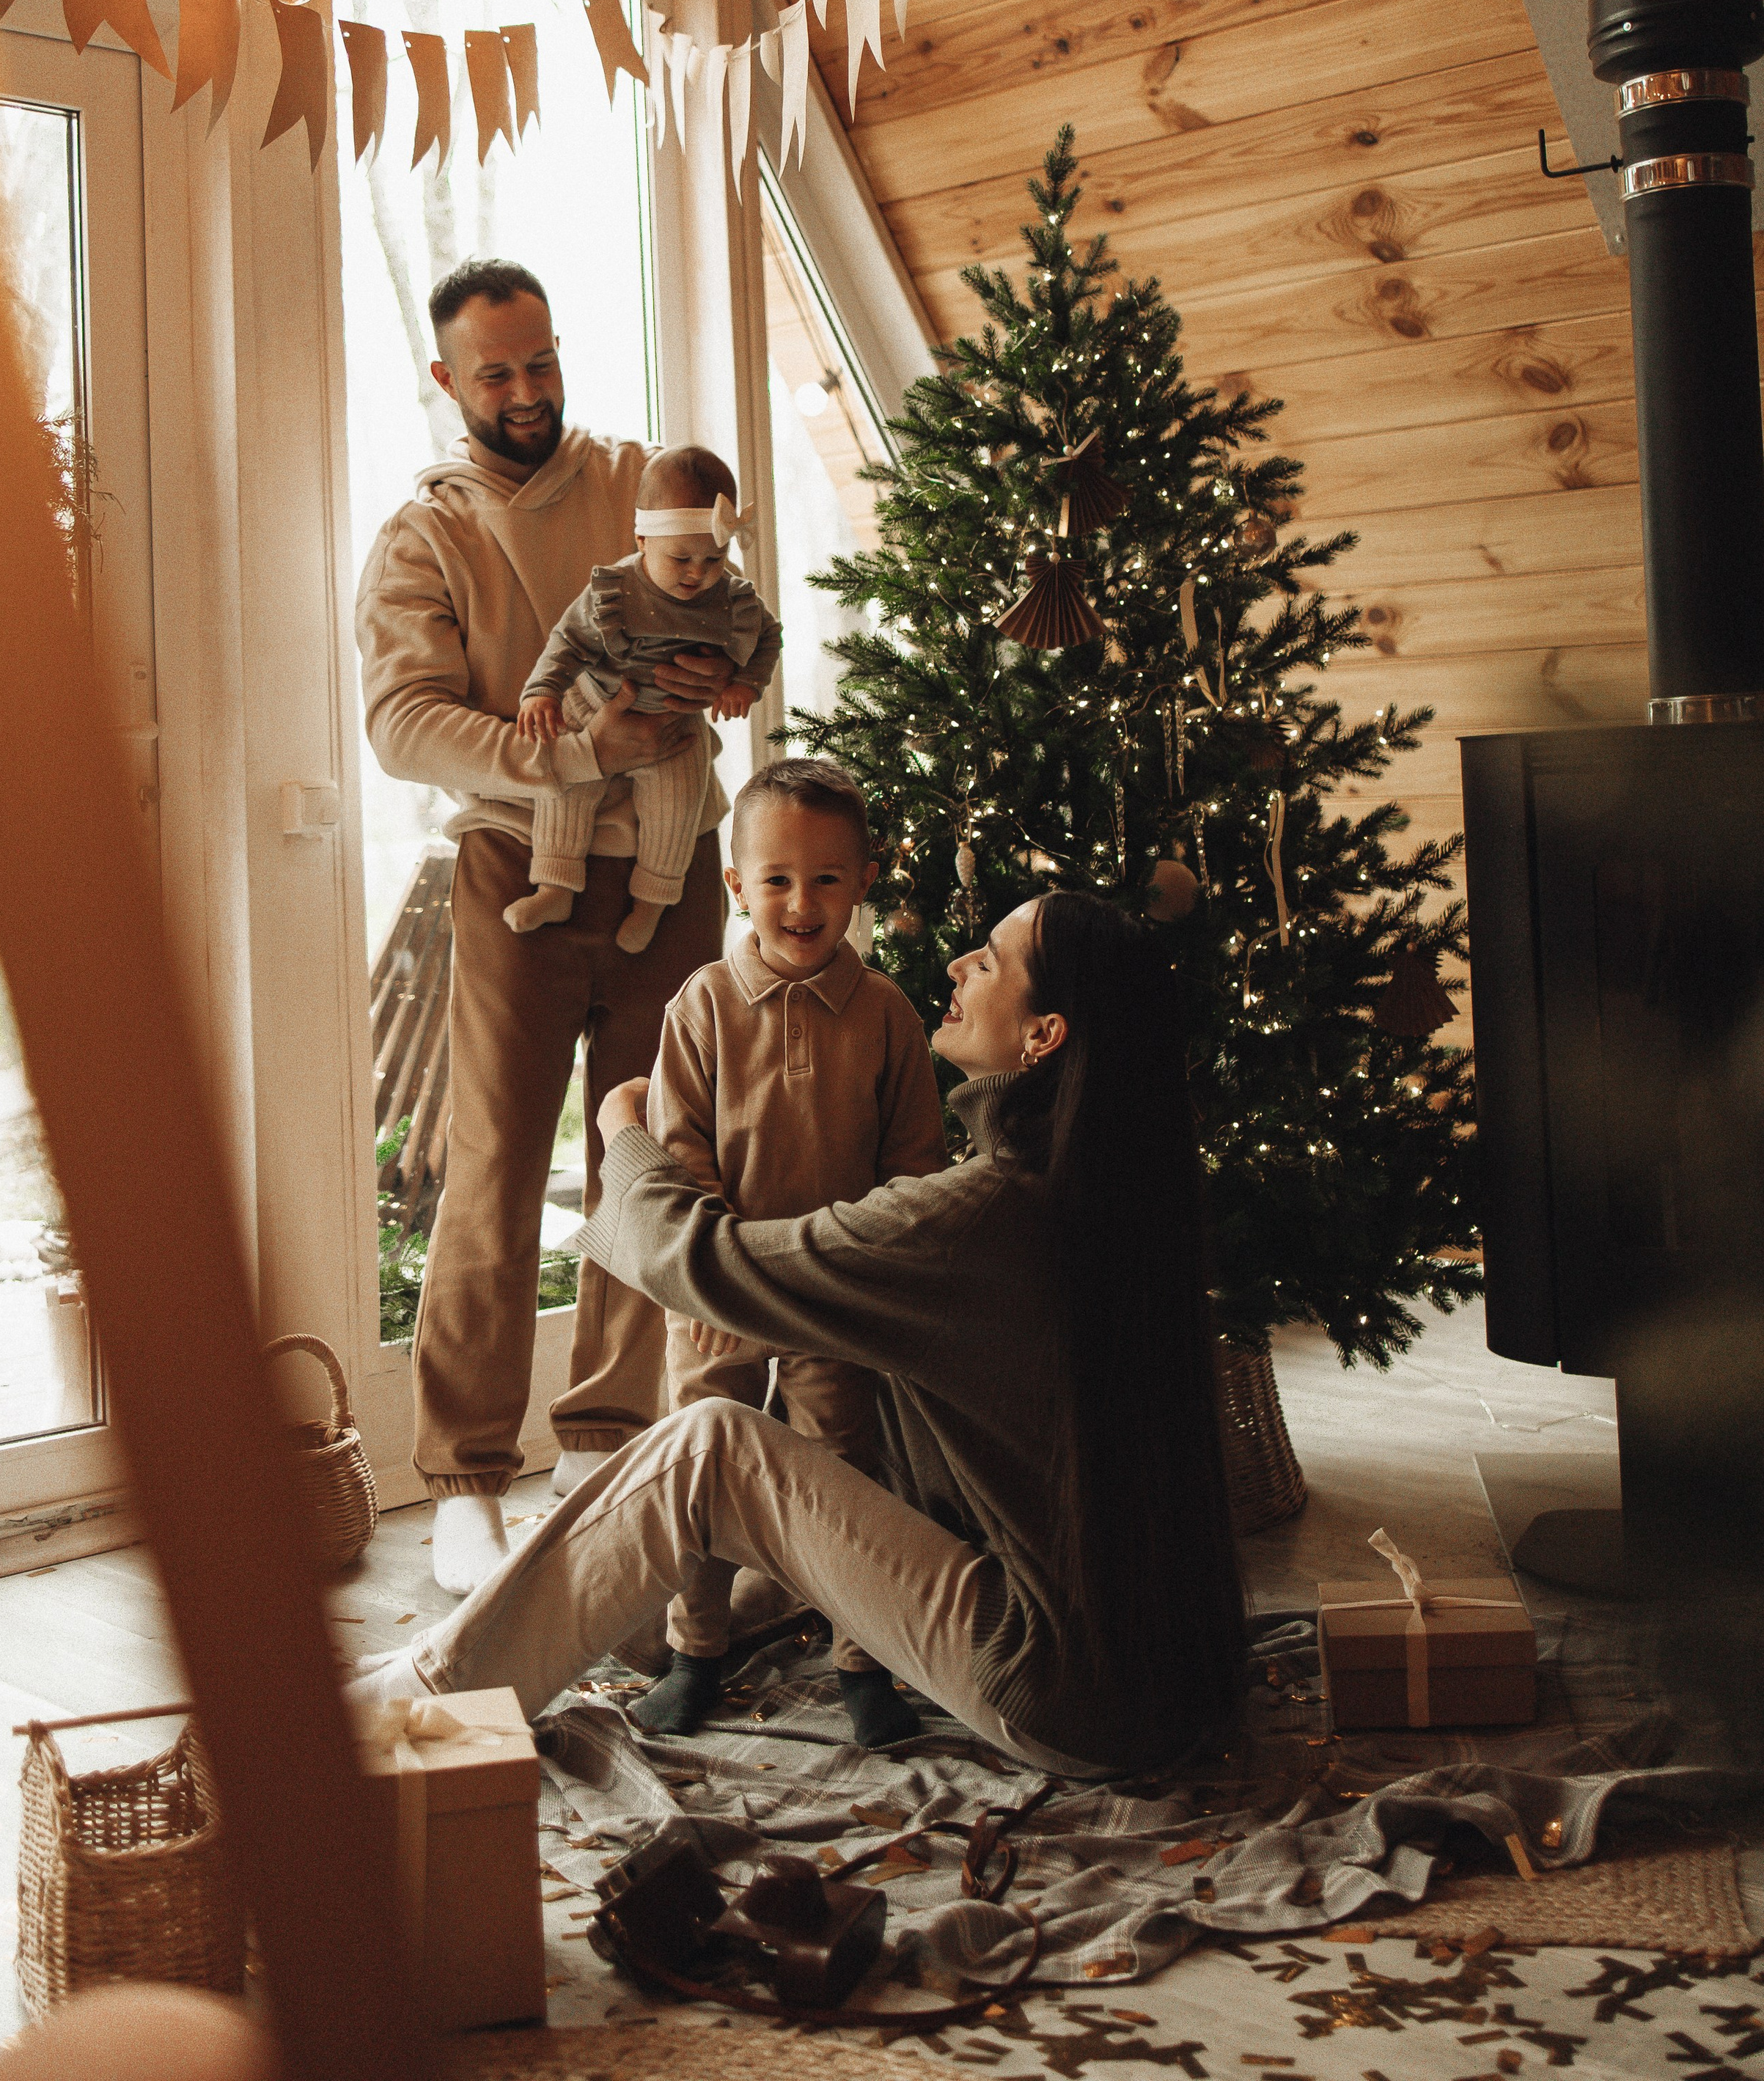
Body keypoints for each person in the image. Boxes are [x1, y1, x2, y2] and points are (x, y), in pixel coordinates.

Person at [352, 888, 1249, 1774]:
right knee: (826, 1421)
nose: (958, 964)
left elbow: (708, 1262)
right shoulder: (1111, 1197)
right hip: (1177, 1688)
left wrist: (623, 1132)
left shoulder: (985, 1216)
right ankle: (620, 1633)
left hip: (1058, 1691)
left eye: (992, 958)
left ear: (1043, 1036)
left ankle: (420, 1691)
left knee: (708, 1447)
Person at [356, 259, 733, 1599]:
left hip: (678, 870)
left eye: (539, 361)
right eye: (495, 372)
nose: (525, 391)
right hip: (516, 869)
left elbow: (746, 624)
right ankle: (465, 1480)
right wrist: (580, 749)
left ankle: (615, 1444)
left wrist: (726, 677)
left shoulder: (648, 483)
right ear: (449, 382)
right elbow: (403, 725)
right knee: (493, 1170)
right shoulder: (425, 536)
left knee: (652, 1160)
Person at [631, 756, 946, 1744]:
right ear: (737, 887)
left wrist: (869, 1265)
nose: (800, 903)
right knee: (705, 1469)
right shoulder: (702, 1006)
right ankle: (698, 1648)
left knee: (844, 1472)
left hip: (834, 1293)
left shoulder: (888, 1014)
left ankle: (863, 1661)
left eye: (824, 880)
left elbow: (914, 1163)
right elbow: (678, 1150)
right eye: (775, 879)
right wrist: (713, 1259)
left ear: (863, 882)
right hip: (721, 1288)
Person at [515, 446, 781, 955]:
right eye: (680, 558)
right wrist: (542, 692)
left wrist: (745, 683)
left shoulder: (731, 599)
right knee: (566, 787)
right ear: (642, 538)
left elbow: (768, 639)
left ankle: (652, 905)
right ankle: (554, 886)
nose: (697, 573)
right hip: (594, 704)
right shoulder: (616, 590)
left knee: (677, 810)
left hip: (676, 725)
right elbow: (566, 642)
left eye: (713, 558)